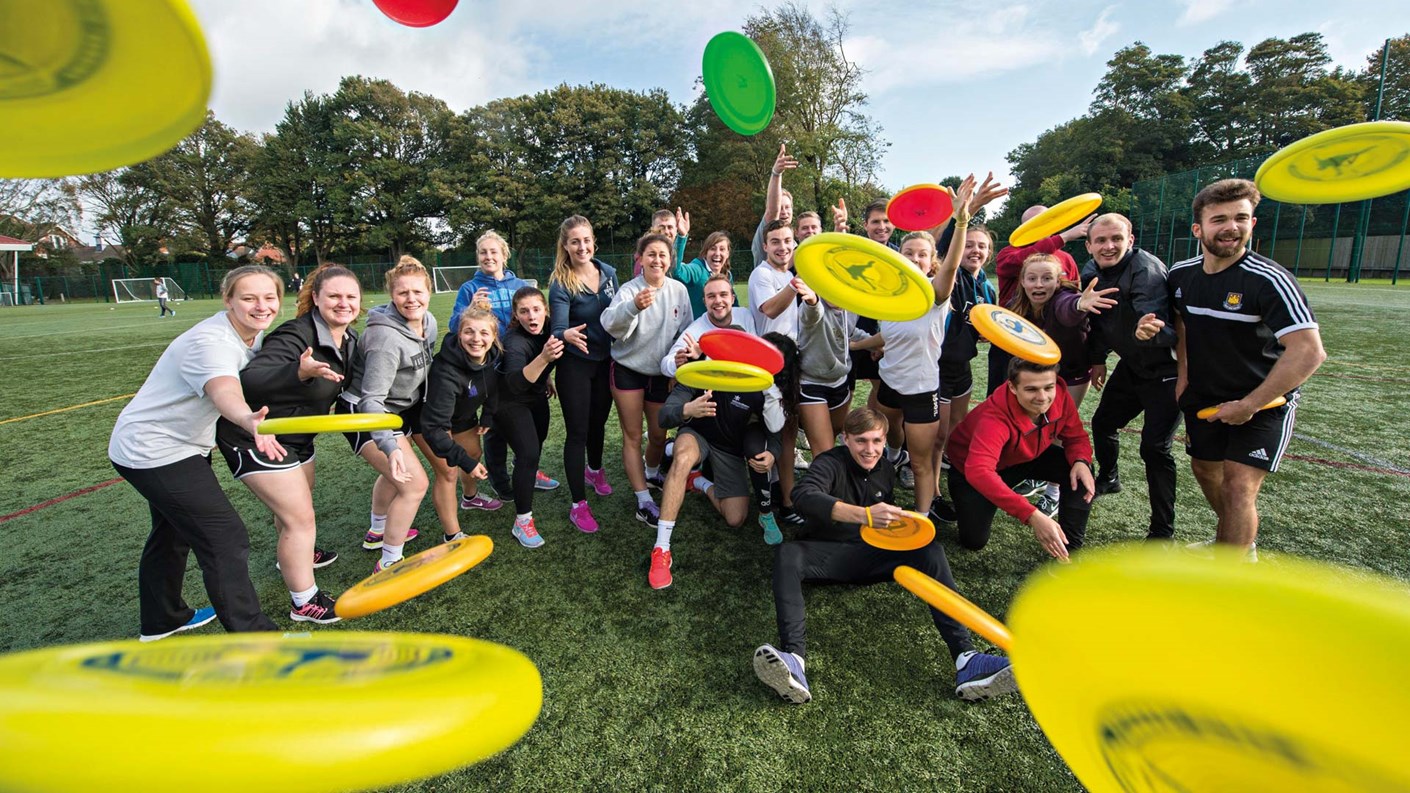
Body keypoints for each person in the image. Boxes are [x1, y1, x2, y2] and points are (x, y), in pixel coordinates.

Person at [751, 408, 1018, 704]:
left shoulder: (885, 469)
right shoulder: (829, 462)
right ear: (846, 439)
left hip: (875, 557)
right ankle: (795, 661)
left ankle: (966, 660)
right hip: (829, 558)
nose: (871, 449)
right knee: (788, 553)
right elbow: (803, 496)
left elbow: (888, 525)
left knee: (931, 552)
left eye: (877, 441)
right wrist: (863, 515)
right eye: (862, 441)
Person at [109, 265, 285, 640]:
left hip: (180, 445)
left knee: (172, 533)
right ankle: (255, 639)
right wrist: (247, 418)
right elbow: (223, 390)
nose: (261, 306)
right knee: (225, 537)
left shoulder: (253, 334)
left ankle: (162, 619)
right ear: (228, 300)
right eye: (249, 298)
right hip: (153, 448)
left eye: (269, 298)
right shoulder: (211, 342)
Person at [1155, 178, 1324, 559]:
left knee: (1238, 488)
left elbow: (1308, 352)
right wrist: (1183, 376)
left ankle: (1232, 573)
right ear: (1199, 229)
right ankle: (1237, 542)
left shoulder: (1270, 280)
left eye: (1240, 218)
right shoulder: (1182, 274)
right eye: (1219, 219)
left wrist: (1249, 403)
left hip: (1265, 403)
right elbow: (1181, 322)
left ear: (1252, 224)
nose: (1231, 227)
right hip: (1205, 398)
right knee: (1205, 470)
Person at [214, 263, 361, 625]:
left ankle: (292, 558)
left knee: (294, 512)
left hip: (298, 437)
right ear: (316, 298)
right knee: (299, 518)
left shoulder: (350, 339)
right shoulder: (295, 336)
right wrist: (298, 372)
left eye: (350, 297)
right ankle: (304, 602)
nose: (343, 303)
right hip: (258, 437)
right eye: (334, 297)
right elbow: (251, 380)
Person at [874, 177, 994, 524]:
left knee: (922, 462)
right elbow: (889, 337)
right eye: (908, 253)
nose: (914, 259)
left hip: (922, 390)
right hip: (888, 382)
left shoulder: (934, 294)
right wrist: (859, 345)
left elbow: (953, 266)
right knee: (888, 438)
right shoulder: (889, 294)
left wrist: (961, 221)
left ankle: (923, 517)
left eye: (922, 255)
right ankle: (892, 458)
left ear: (931, 262)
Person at [650, 332, 796, 589]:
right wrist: (688, 410)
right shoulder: (701, 374)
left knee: (735, 518)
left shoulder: (757, 384)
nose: (732, 358)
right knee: (683, 458)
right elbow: (664, 416)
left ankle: (700, 482)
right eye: (727, 351)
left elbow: (772, 432)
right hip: (697, 436)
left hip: (729, 450)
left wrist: (772, 452)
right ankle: (661, 549)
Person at [1080, 213, 1182, 541]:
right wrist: (1097, 360)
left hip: (1166, 370)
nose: (1109, 246)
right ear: (1089, 245)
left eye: (1116, 239)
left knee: (1155, 448)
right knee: (1103, 422)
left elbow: (1164, 330)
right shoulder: (1091, 270)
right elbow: (1097, 322)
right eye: (1101, 240)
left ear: (1130, 240)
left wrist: (1149, 330)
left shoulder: (1146, 270)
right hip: (1133, 365)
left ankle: (1162, 531)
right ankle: (1109, 477)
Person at [337, 255, 437, 572]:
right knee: (413, 483)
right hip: (367, 413)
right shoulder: (385, 339)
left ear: (429, 290)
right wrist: (389, 445)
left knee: (392, 474)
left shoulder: (429, 322)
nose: (411, 299)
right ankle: (390, 561)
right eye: (403, 293)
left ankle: (378, 531)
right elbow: (371, 400)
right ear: (392, 295)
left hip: (396, 412)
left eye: (418, 292)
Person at [946, 358, 1096, 562]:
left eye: (1048, 387)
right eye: (1031, 389)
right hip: (970, 472)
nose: (1042, 397)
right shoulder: (994, 417)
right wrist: (1031, 515)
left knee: (1080, 470)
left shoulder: (1060, 395)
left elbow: (1077, 437)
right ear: (1012, 387)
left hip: (1027, 457)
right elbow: (979, 471)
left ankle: (1071, 547)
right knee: (974, 541)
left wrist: (1081, 460)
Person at [1007, 253, 1117, 517]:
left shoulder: (1062, 301)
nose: (1039, 284)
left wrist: (1080, 304)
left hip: (1070, 378)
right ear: (1022, 281)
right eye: (1032, 278)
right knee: (1033, 427)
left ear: (1059, 281)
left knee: (1057, 432)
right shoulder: (1019, 304)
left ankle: (1053, 493)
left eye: (1047, 278)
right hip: (1038, 377)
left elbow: (1067, 311)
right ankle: (1036, 473)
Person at [602, 232, 693, 527]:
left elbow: (687, 332)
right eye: (650, 254)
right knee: (632, 435)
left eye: (662, 255)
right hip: (628, 369)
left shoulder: (678, 290)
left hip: (660, 374)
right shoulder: (630, 290)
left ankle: (652, 472)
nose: (657, 259)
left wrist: (678, 364)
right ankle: (643, 501)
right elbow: (609, 324)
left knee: (657, 435)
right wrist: (634, 307)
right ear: (639, 259)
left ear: (670, 260)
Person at [418, 306, 505, 545]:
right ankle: (452, 535)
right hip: (432, 421)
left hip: (463, 417)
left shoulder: (494, 355)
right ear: (459, 334)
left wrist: (488, 414)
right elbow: (435, 428)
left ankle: (470, 497)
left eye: (484, 333)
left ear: (494, 335)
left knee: (474, 454)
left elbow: (493, 386)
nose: (477, 339)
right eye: (469, 332)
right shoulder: (446, 371)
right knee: (449, 470)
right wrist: (466, 462)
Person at [550, 215, 615, 532]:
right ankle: (578, 504)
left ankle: (595, 469)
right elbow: (558, 328)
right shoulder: (561, 283)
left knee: (598, 423)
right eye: (575, 241)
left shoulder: (609, 274)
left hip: (606, 363)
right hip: (575, 365)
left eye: (586, 240)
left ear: (594, 241)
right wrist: (566, 336)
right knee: (577, 433)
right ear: (566, 245)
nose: (582, 246)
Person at [987, 206, 1093, 395]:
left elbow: (1071, 297)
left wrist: (1078, 307)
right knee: (1001, 399)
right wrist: (1064, 237)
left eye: (1045, 223)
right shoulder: (1009, 253)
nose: (1039, 284)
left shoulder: (1066, 258)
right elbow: (1027, 257)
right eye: (1032, 225)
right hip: (1012, 340)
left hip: (1055, 343)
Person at [496, 286, 565, 547]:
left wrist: (545, 374)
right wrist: (544, 359)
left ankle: (530, 473)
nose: (531, 317)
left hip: (535, 394)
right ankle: (522, 520)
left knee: (539, 439)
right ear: (515, 314)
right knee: (528, 453)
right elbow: (515, 383)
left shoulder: (549, 328)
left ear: (546, 311)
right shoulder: (514, 341)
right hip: (510, 400)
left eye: (536, 309)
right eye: (524, 312)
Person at [748, 219, 805, 522]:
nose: (783, 247)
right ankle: (772, 498)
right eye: (776, 242)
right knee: (772, 431)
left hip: (793, 364)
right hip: (769, 365)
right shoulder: (762, 274)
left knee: (789, 433)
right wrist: (795, 285)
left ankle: (786, 499)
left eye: (787, 241)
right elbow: (769, 309)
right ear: (766, 246)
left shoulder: (794, 273)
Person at [936, 224, 997, 483]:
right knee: (937, 432)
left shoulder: (987, 287)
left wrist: (985, 333)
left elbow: (990, 322)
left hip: (963, 365)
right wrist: (961, 217)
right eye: (968, 245)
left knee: (957, 425)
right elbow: (943, 248)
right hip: (938, 365)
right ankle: (923, 468)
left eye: (981, 246)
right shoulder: (951, 276)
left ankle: (950, 460)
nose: (975, 251)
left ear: (989, 253)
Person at [661, 272, 757, 379]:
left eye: (723, 294)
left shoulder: (745, 315)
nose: (718, 301)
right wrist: (678, 362)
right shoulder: (695, 331)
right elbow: (665, 365)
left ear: (733, 299)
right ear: (705, 302)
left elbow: (756, 351)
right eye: (711, 296)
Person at [449, 230, 531, 335]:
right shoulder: (469, 289)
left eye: (493, 252)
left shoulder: (521, 286)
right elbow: (454, 328)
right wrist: (470, 308)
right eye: (483, 252)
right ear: (478, 257)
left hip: (520, 346)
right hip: (487, 348)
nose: (488, 257)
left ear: (504, 256)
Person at [751, 144, 796, 266]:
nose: (784, 212)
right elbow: (772, 212)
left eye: (787, 207)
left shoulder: (794, 244)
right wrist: (776, 173)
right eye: (780, 207)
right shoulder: (767, 232)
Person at [673, 231, 732, 319]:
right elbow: (677, 271)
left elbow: (733, 305)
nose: (717, 253)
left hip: (719, 329)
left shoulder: (728, 276)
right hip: (697, 329)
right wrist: (682, 237)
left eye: (722, 249)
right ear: (705, 252)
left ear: (727, 254)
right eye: (713, 248)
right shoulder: (697, 270)